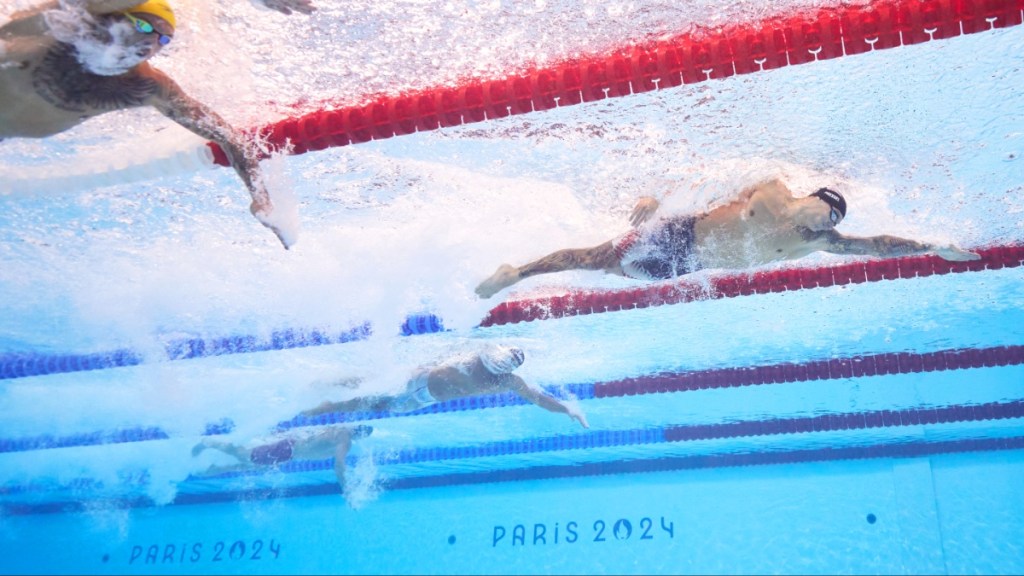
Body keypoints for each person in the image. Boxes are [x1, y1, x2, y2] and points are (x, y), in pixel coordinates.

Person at [1, 0, 316, 248]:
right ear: (108, 12)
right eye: (143, 25)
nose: (152, 42)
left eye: (164, 39)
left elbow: (227, 137)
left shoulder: (145, 87)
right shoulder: (59, 22)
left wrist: (261, 199)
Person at [475, 179, 980, 298]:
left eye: (833, 225)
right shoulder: (771, 192)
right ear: (819, 200)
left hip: (684, 267)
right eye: (830, 217)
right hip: (678, 234)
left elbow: (876, 245)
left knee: (604, 267)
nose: (832, 229)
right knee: (591, 257)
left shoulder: (817, 243)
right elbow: (711, 184)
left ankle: (519, 274)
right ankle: (514, 273)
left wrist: (933, 246)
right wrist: (659, 197)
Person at [302, 345, 590, 429]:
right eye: (485, 366)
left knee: (372, 402)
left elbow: (538, 398)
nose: (484, 371)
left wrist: (568, 410)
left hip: (423, 398)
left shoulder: (508, 381)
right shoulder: (478, 357)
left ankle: (321, 408)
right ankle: (327, 382)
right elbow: (442, 355)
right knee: (369, 383)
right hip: (417, 379)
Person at [191, 424, 372, 491]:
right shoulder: (344, 439)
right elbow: (339, 466)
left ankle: (216, 468)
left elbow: (309, 437)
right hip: (287, 451)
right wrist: (346, 488)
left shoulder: (336, 429)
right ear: (360, 434)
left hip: (289, 452)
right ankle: (209, 442)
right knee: (243, 455)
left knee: (255, 465)